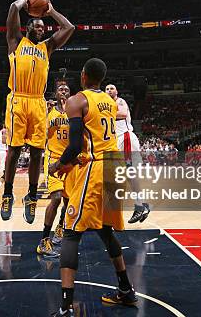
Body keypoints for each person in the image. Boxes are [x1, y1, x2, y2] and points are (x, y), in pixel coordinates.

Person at [49, 59, 136, 316]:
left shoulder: (78, 100)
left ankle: (65, 307)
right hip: (113, 166)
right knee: (105, 231)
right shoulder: (110, 102)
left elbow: (75, 146)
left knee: (71, 231)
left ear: (84, 75)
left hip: (97, 169)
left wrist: (57, 166)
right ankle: (126, 291)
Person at [0, 0, 75, 223]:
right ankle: (8, 193)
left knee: (36, 151)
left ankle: (31, 196)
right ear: (29, 27)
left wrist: (50, 11)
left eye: (44, 27)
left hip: (38, 101)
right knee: (14, 150)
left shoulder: (47, 48)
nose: (42, 29)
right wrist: (25, 2)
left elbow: (68, 27)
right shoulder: (16, 42)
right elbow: (13, 7)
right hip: (18, 99)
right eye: (38, 26)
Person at [105, 84, 151, 223]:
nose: (109, 90)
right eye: (106, 89)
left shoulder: (119, 101)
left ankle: (139, 206)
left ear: (117, 91)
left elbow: (123, 113)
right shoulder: (106, 105)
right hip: (115, 142)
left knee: (130, 174)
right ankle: (143, 205)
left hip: (125, 139)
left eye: (112, 88)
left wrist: (105, 113)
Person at [36, 82, 71, 257]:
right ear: (55, 93)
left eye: (66, 90)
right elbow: (41, 132)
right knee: (56, 198)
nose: (63, 91)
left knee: (68, 200)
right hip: (53, 159)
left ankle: (60, 227)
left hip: (69, 161)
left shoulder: (74, 111)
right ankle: (44, 241)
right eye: (60, 90)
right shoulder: (49, 111)